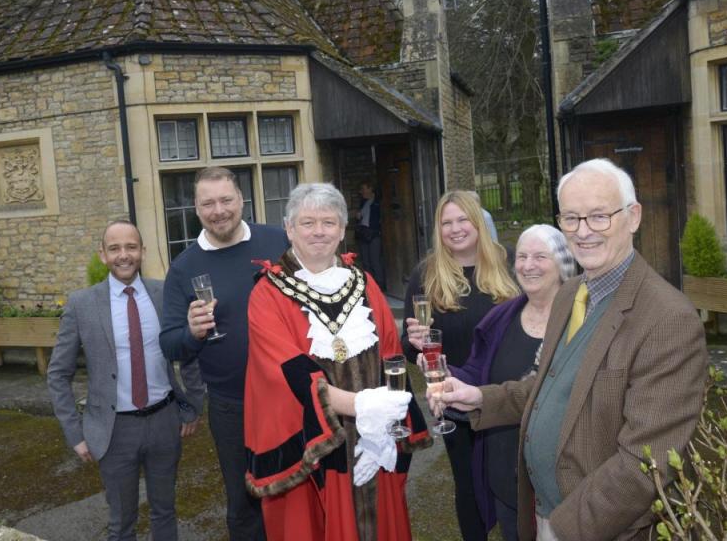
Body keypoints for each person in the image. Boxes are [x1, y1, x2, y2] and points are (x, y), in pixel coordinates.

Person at [440, 158, 709, 541]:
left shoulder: (668, 320)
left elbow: (645, 463)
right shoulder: (570, 293)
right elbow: (552, 387)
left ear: (633, 217)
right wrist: (480, 398)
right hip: (543, 514)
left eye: (599, 216)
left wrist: (564, 528)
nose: (583, 232)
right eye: (571, 219)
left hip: (595, 528)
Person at [244, 182, 430, 541]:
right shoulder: (267, 294)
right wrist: (363, 406)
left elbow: (391, 357)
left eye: (328, 222)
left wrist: (385, 431)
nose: (318, 232)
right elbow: (291, 373)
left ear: (342, 229)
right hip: (318, 450)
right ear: (289, 229)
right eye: (307, 222)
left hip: (374, 442)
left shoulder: (364, 282)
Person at [47, 220, 205, 541]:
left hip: (164, 422)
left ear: (142, 251)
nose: (124, 255)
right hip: (114, 430)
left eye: (131, 247)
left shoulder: (164, 294)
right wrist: (75, 433)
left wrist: (192, 406)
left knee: (165, 511)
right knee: (122, 522)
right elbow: (57, 374)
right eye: (115, 248)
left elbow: (186, 350)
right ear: (102, 255)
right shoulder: (81, 304)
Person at [159, 166, 289, 540]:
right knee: (244, 499)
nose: (219, 210)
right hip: (232, 405)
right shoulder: (184, 268)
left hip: (288, 392)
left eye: (226, 200)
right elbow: (169, 343)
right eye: (208, 203)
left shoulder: (277, 241)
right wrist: (193, 332)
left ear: (241, 200)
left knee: (295, 485)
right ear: (196, 210)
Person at [401, 189, 519, 541]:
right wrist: (418, 347)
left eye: (462, 219)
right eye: (446, 222)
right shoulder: (425, 275)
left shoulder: (510, 262)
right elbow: (409, 345)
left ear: (478, 222)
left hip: (507, 394)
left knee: (512, 481)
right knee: (468, 486)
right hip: (454, 397)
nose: (455, 229)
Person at [450, 225, 575, 541]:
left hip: (560, 479)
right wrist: (447, 377)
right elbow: (477, 373)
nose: (528, 265)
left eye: (539, 256)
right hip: (506, 475)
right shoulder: (501, 318)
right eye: (521, 256)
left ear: (562, 263)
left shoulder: (580, 320)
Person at [355, 182, 386, 290]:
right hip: (364, 233)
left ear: (370, 188)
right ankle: (369, 286)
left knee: (375, 260)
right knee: (366, 262)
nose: (361, 191)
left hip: (374, 233)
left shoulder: (378, 201)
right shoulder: (363, 202)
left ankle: (380, 286)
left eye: (363, 188)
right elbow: (360, 217)